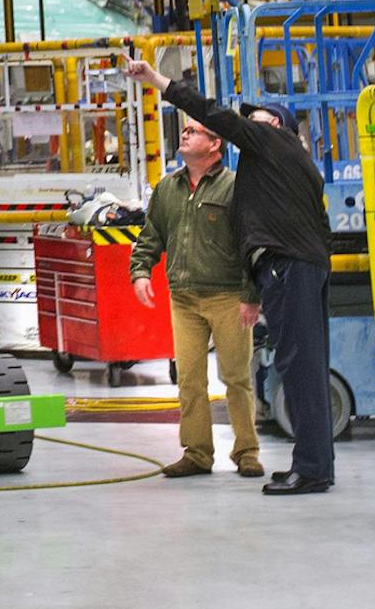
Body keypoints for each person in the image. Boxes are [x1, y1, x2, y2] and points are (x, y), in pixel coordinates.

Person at [125, 59, 335, 494]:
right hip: (306, 266)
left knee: (296, 368)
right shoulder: (295, 164)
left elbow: (213, 113)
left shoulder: (270, 143)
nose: (246, 127)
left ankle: (310, 469)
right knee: (306, 368)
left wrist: (157, 80)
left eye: (254, 120)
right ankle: (316, 463)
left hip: (288, 267)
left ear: (274, 125)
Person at [130, 114, 262, 478]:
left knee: (236, 377)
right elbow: (151, 234)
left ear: (215, 144)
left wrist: (251, 293)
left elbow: (252, 244)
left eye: (193, 131)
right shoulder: (167, 189)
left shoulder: (236, 188)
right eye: (184, 130)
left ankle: (247, 451)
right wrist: (140, 272)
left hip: (228, 297)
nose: (184, 135)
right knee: (189, 379)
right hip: (183, 299)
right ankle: (198, 453)